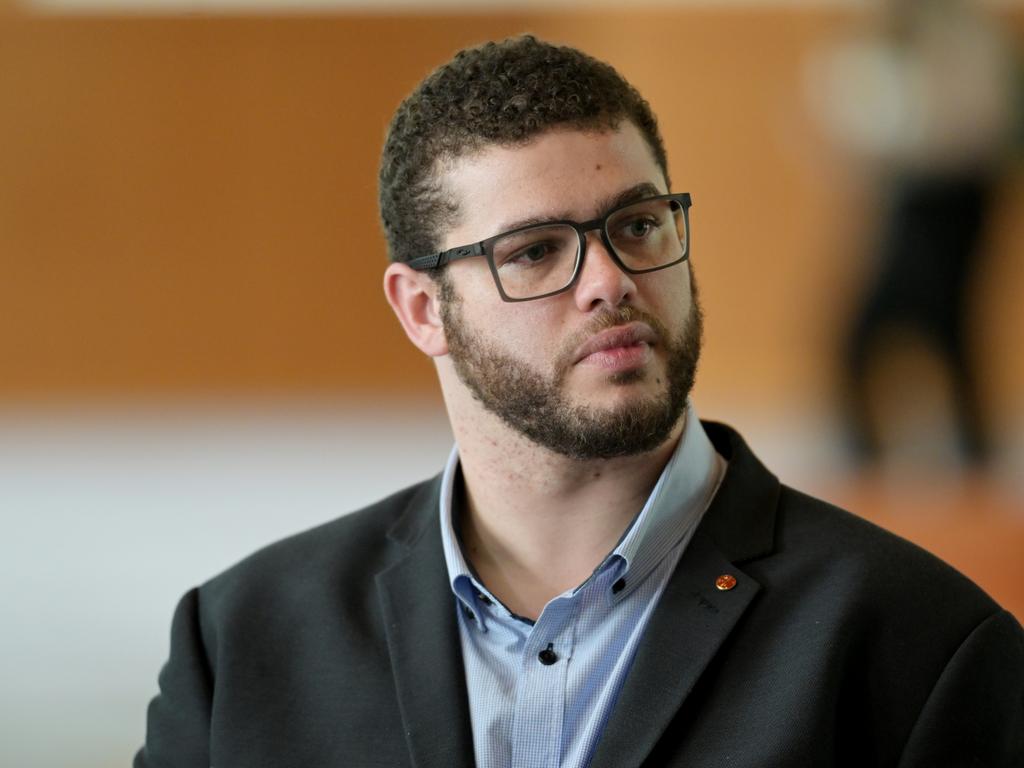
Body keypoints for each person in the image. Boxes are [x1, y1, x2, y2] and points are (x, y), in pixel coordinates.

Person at [136, 36, 1023, 767]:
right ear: (422, 310)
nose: (609, 281)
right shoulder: (240, 646)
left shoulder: (923, 648)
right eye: (534, 251)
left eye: (638, 227)